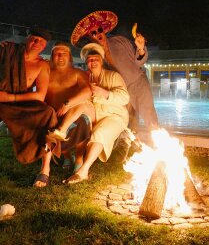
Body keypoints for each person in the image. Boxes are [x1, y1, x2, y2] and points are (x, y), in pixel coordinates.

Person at [0, 27, 58, 197]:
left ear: (45, 46)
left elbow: (40, 95)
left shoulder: (42, 65)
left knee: (48, 114)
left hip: (20, 103)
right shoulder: (6, 50)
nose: (37, 43)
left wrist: (9, 97)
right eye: (34, 39)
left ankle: (45, 169)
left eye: (41, 42)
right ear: (27, 38)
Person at [70, 10, 158, 133]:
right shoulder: (96, 55)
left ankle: (159, 143)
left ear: (104, 31)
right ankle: (131, 148)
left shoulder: (120, 41)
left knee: (150, 117)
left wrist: (141, 48)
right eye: (93, 33)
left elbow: (139, 62)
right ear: (90, 37)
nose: (98, 34)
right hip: (119, 92)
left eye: (99, 30)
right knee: (128, 124)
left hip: (138, 84)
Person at [63, 43, 129, 184]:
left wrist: (104, 93)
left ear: (102, 61)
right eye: (89, 59)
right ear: (86, 62)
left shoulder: (113, 76)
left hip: (114, 116)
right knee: (78, 124)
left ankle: (83, 171)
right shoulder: (85, 77)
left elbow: (125, 97)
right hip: (94, 116)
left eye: (95, 59)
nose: (92, 62)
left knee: (99, 134)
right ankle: (72, 157)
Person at [43, 41, 93, 183]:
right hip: (52, 112)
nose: (60, 56)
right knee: (52, 126)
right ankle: (66, 156)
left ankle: (78, 158)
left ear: (70, 57)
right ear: (52, 56)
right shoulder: (46, 72)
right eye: (56, 53)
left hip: (74, 113)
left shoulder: (78, 73)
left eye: (64, 53)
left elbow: (87, 91)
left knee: (83, 122)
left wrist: (67, 104)